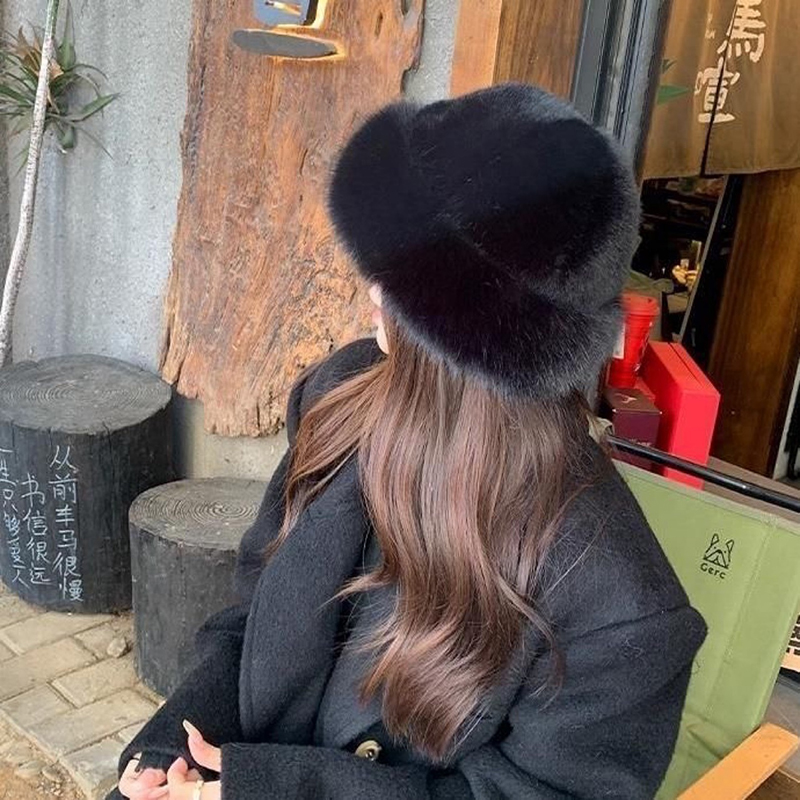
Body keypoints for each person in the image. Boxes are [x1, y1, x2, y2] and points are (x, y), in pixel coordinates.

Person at [111, 84, 706, 800]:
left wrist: (270, 789)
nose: (370, 289)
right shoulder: (339, 396)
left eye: (401, 274)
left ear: (470, 327)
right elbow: (253, 612)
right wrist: (172, 747)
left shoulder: (622, 608)